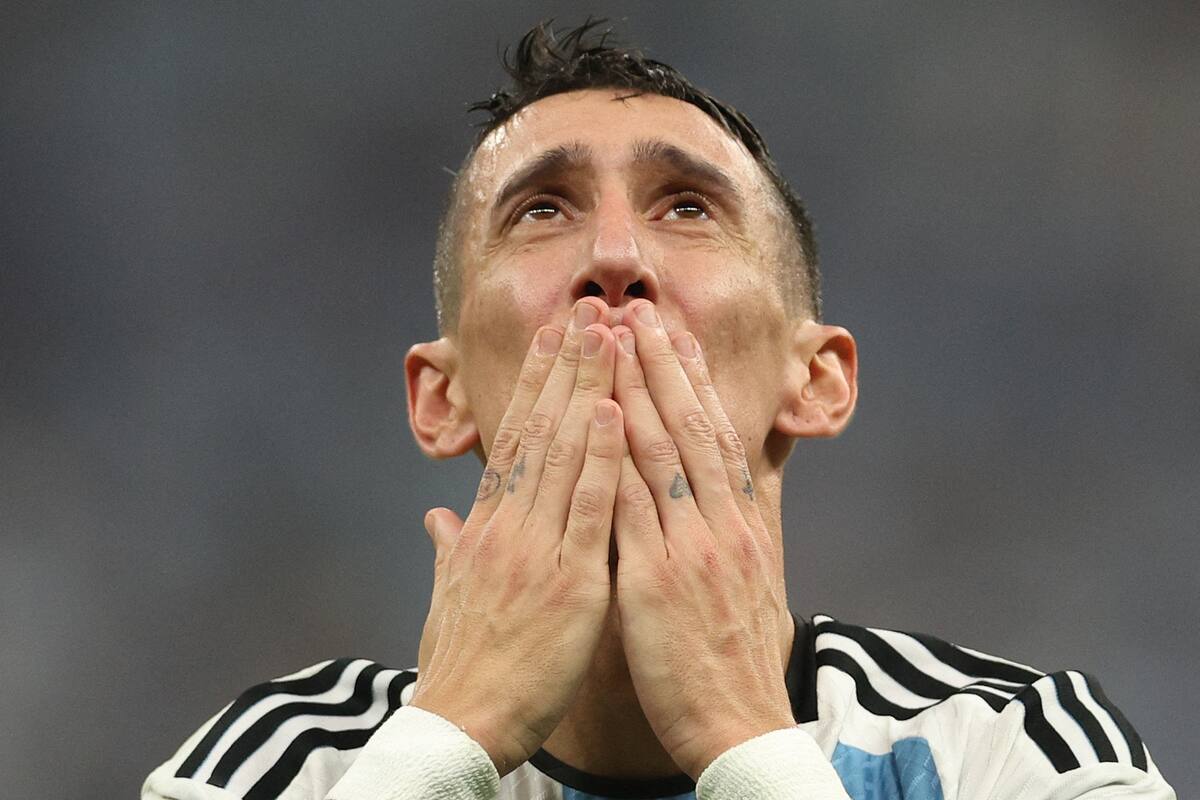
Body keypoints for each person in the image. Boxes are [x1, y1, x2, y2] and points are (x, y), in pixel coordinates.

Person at [143, 20, 1175, 800]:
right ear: (440, 396)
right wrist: (444, 742)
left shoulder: (1016, 745)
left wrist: (744, 741)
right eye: (541, 209)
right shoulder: (284, 761)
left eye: (688, 206)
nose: (616, 259)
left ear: (818, 379)